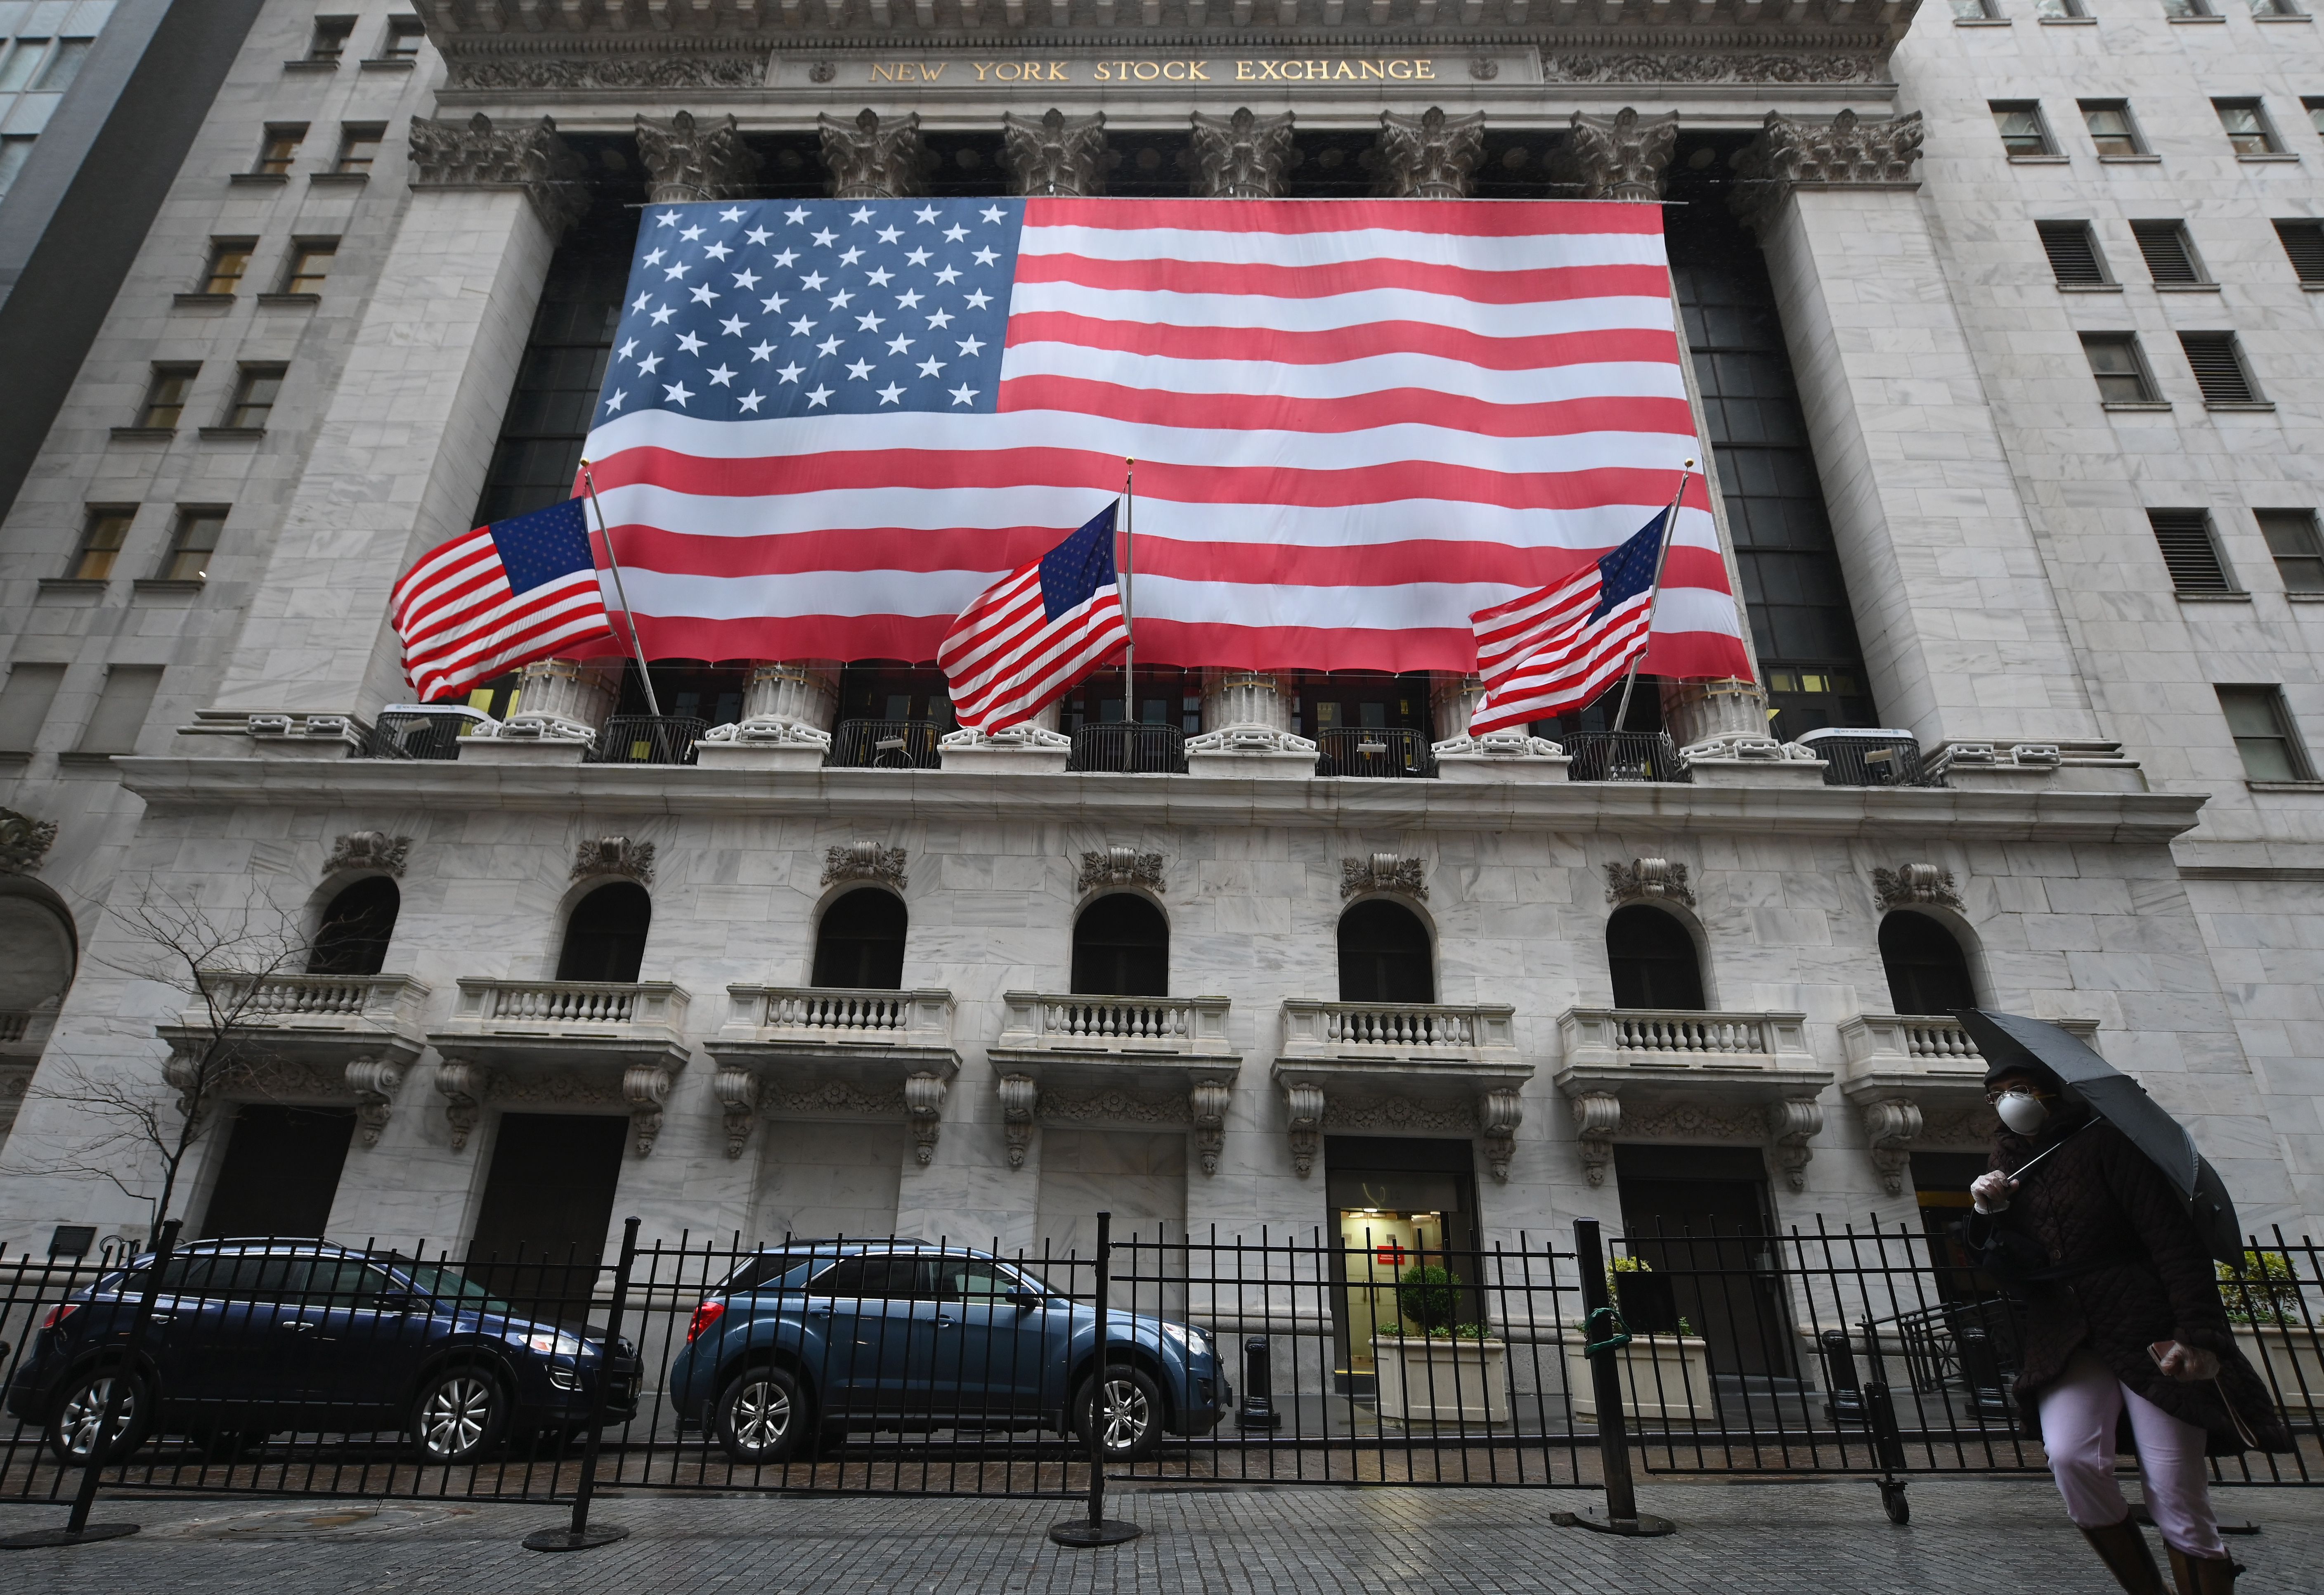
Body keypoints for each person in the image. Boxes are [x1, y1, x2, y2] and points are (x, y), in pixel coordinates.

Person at [1966, 1058, 2288, 1595]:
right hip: (2067, 1335)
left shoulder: (2109, 1146)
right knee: (2070, 1458)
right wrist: (1988, 1213)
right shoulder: (2008, 1161)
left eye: (2019, 1089)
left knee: (2173, 1489)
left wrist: (2198, 1335)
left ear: (2051, 1095)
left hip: (2146, 1325)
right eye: (1995, 1094)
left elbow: (2175, 1246)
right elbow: (2012, 1268)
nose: (2007, 1102)